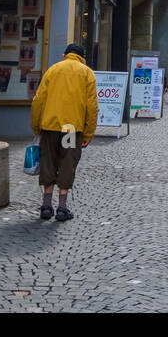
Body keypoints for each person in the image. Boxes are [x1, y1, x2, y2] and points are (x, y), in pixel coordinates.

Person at [30, 43, 98, 222]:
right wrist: (89, 133)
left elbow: (38, 101)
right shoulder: (86, 73)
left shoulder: (53, 70)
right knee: (67, 162)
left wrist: (36, 126)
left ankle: (46, 205)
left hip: (50, 126)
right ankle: (62, 207)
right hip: (70, 128)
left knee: (48, 161)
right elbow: (92, 107)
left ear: (65, 54)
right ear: (82, 57)